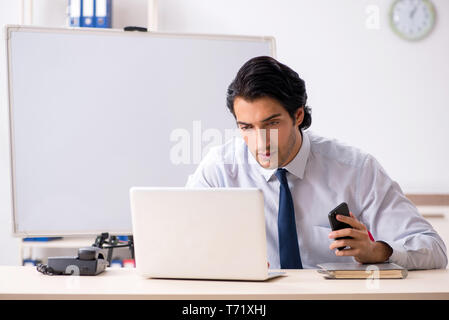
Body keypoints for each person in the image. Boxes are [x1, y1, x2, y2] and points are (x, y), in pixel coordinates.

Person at [186, 56, 447, 270]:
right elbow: (181, 245)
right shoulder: (219, 170)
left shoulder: (355, 169)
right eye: (247, 127)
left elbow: (433, 249)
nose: (260, 143)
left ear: (298, 115)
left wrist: (375, 251)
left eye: (271, 124)